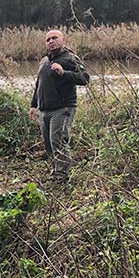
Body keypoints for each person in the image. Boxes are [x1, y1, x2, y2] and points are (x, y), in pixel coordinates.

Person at [28, 29, 90, 183]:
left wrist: (64, 73)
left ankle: (62, 176)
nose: (51, 41)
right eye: (48, 39)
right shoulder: (44, 61)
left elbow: (84, 78)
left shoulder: (70, 58)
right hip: (45, 110)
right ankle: (56, 171)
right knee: (48, 143)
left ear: (64, 40)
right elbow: (39, 84)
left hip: (63, 108)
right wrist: (33, 105)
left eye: (54, 38)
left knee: (58, 140)